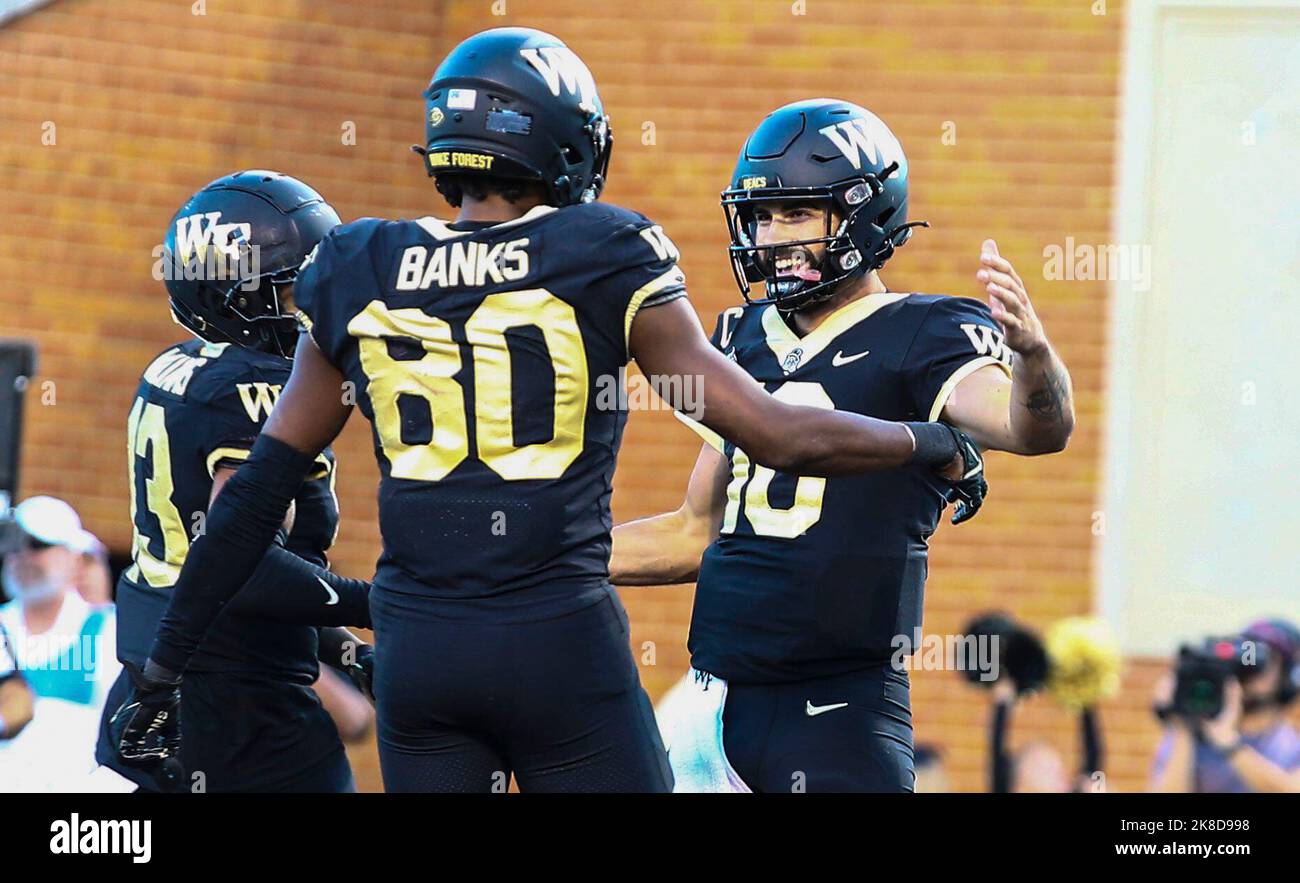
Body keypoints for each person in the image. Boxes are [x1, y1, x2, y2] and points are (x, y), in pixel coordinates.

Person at [115, 28, 986, 793]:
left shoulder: (358, 262)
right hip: (554, 639)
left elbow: (254, 498)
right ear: (565, 144)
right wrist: (932, 439)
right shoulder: (603, 250)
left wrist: (158, 672)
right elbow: (775, 431)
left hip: (421, 648)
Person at [613, 99, 1076, 792]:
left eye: (797, 213)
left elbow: (1031, 429)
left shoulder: (924, 329)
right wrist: (541, 561)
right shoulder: (739, 337)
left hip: (837, 713)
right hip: (708, 705)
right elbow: (693, 532)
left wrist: (1035, 354)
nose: (773, 235)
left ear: (863, 214)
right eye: (762, 215)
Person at [94, 172, 375, 793]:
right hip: (241, 704)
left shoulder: (175, 367)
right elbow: (246, 565)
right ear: (234, 296)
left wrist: (352, 652)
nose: (310, 310)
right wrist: (387, 605)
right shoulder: (255, 387)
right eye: (290, 293)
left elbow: (217, 568)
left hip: (168, 679)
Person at [0, 496, 120, 791]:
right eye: (13, 544)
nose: (22, 555)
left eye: (38, 545)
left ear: (74, 557)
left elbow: (123, 742)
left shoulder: (109, 629)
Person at [1150, 619, 1300, 793]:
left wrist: (1230, 744)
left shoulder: (1290, 747)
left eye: (1266, 658)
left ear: (1287, 675)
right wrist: (1183, 720)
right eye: (1246, 654)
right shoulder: (1194, 735)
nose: (1251, 664)